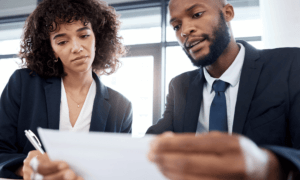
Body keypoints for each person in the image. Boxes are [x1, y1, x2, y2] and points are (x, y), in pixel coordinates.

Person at [147, 0, 300, 179]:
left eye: (196, 15)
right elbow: (152, 143)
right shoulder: (180, 85)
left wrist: (268, 165)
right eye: (176, 26)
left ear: (227, 13)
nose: (184, 30)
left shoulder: (290, 64)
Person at [0, 0, 132, 179]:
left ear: (97, 38)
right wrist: (27, 169)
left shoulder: (122, 107)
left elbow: (122, 168)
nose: (76, 48)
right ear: (52, 49)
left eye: (84, 35)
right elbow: (2, 150)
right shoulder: (23, 84)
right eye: (62, 41)